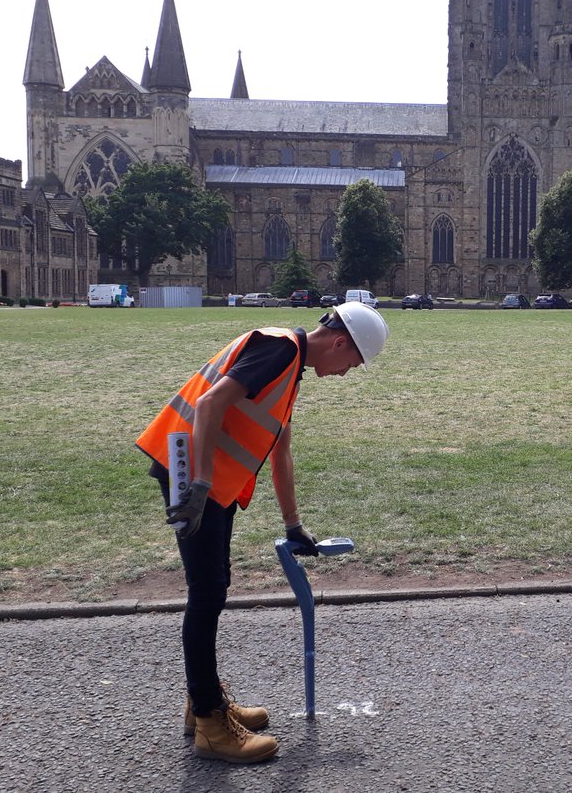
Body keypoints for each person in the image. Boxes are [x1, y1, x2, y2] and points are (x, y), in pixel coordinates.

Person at [135, 302, 390, 763]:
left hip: (206, 483)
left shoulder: (288, 368)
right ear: (338, 343)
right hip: (192, 479)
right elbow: (210, 403)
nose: (346, 373)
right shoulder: (278, 350)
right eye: (352, 363)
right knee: (208, 592)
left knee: (213, 588)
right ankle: (211, 724)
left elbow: (281, 450)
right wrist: (201, 484)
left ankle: (204, 699)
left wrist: (294, 525)